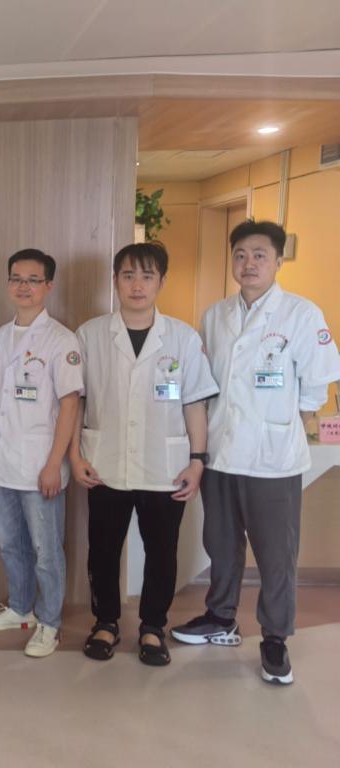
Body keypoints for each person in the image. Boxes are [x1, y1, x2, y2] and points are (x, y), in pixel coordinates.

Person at [172, 221, 340, 685]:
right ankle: (220, 617)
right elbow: (205, 383)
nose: (249, 264)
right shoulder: (215, 315)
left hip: (273, 459)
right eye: (241, 255)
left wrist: (288, 423)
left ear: (278, 261)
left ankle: (275, 637)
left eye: (260, 255)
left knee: (275, 554)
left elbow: (317, 384)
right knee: (221, 544)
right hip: (222, 453)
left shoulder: (301, 314)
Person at [70, 242, 218, 666]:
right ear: (115, 281)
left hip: (164, 466)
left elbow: (194, 403)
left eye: (147, 276)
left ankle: (153, 627)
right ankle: (106, 622)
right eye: (129, 275)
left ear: (161, 282)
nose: (137, 285)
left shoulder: (183, 338)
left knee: (162, 551)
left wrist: (198, 460)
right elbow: (76, 401)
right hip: (104, 463)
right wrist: (75, 456)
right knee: (103, 550)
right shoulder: (90, 334)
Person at [0, 250, 82, 657]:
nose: (24, 287)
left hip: (41, 465)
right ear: (8, 284)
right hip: (4, 462)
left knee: (46, 551)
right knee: (11, 544)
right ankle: (21, 608)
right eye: (17, 279)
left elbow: (70, 405)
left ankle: (49, 622)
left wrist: (55, 463)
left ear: (48, 286)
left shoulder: (61, 340)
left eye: (33, 280)